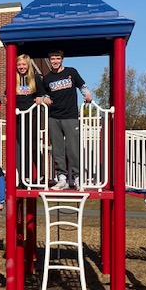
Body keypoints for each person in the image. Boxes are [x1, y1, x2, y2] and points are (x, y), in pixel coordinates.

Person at [43, 49, 92, 190]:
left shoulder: (71, 72)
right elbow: (44, 94)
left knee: (73, 149)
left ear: (62, 59)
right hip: (54, 117)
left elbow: (82, 86)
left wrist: (87, 95)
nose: (55, 61)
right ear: (50, 60)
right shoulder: (47, 78)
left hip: (70, 116)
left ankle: (77, 178)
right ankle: (62, 178)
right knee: (57, 149)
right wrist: (45, 98)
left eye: (57, 58)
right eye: (52, 59)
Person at [15, 54, 45, 185]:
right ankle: (25, 175)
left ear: (28, 65)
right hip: (18, 116)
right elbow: (7, 95)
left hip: (31, 115)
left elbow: (42, 94)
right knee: (22, 146)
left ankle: (40, 173)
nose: (21, 67)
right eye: (19, 65)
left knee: (32, 145)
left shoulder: (35, 78)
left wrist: (40, 98)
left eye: (23, 64)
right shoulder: (13, 79)